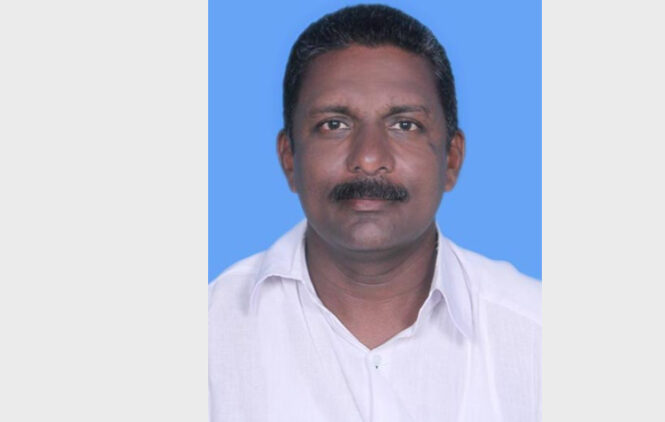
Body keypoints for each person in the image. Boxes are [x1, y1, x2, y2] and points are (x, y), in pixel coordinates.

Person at [209, 4, 540, 421]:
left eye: (404, 125)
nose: (368, 158)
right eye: (334, 124)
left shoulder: (537, 333)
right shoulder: (209, 333)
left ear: (452, 159)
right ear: (289, 157)